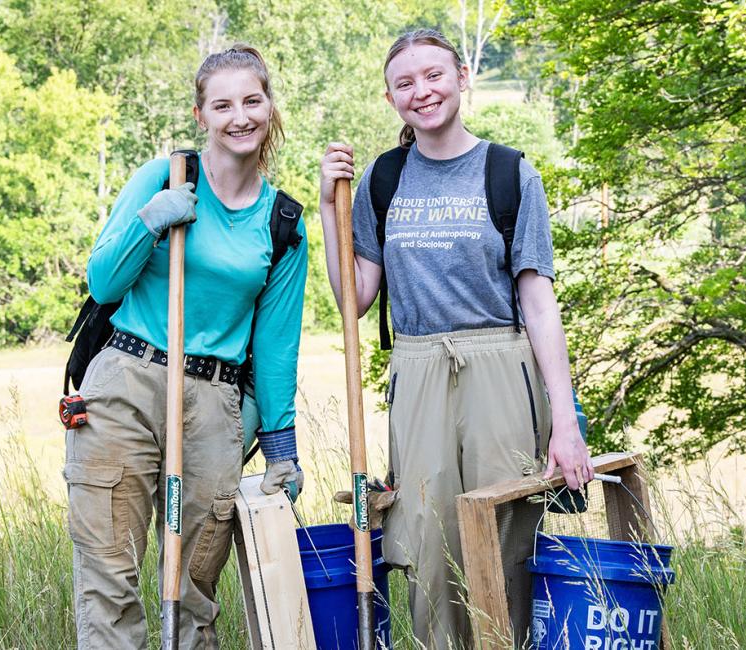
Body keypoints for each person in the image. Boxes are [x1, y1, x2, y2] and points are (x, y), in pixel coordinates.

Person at [318, 29, 593, 649]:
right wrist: (324, 210)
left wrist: (566, 422)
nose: (423, 92)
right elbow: (353, 301)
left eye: (434, 76)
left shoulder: (509, 172)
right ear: (390, 98)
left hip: (500, 362)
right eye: (405, 83)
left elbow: (539, 304)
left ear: (463, 77)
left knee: (503, 533)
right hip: (417, 369)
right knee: (426, 535)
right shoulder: (382, 181)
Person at [66, 44, 307, 649]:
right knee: (109, 572)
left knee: (195, 584)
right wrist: (150, 221)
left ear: (270, 107)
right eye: (222, 105)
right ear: (202, 115)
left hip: (214, 404)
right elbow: (103, 281)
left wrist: (280, 446)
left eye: (252, 100)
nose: (240, 116)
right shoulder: (165, 177)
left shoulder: (283, 223)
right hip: (128, 379)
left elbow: (276, 347)